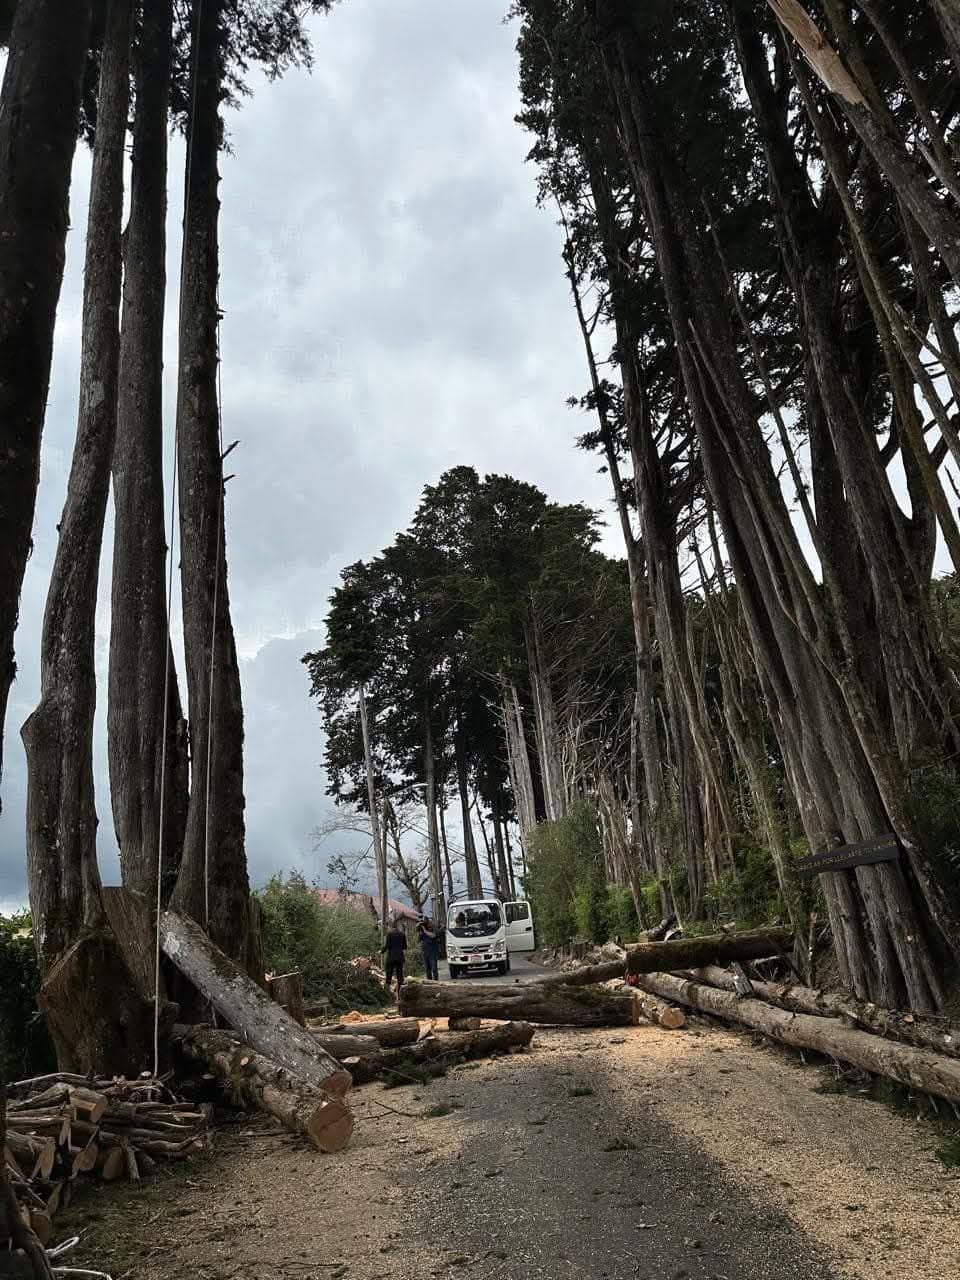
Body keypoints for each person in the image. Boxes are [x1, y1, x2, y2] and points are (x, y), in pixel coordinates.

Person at [381, 917, 407, 993]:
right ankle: (400, 993)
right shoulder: (402, 934)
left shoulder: (389, 934)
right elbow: (405, 947)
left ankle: (387, 993)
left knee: (388, 975)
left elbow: (387, 946)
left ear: (390, 925)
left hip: (391, 957)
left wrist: (381, 951)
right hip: (399, 957)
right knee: (400, 976)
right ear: (397, 925)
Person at [418, 915, 439, 981]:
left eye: (427, 922)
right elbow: (419, 940)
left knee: (434, 968)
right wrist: (421, 931)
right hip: (425, 952)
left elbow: (433, 936)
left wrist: (425, 931)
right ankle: (429, 981)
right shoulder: (423, 930)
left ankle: (436, 981)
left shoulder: (433, 928)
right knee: (427, 969)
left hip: (432, 952)